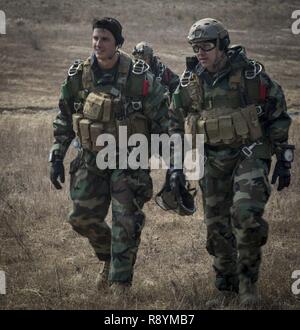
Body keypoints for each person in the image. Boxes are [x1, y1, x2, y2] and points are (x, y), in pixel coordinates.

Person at [166, 18, 294, 307]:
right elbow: (173, 121)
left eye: (206, 46)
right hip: (210, 160)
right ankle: (227, 290)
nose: (200, 52)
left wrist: (284, 157)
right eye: (196, 47)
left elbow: (277, 112)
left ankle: (249, 289)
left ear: (222, 44)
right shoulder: (190, 82)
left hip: (248, 155)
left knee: (246, 216)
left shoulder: (250, 76)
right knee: (216, 228)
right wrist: (175, 165)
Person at [49, 17, 169, 296]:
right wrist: (56, 156)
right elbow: (65, 117)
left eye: (104, 39)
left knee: (125, 221)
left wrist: (173, 164)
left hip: (131, 158)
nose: (98, 44)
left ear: (118, 44)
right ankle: (110, 258)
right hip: (91, 157)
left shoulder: (139, 76)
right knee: (80, 218)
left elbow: (164, 118)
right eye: (95, 38)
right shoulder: (80, 74)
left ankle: (120, 286)